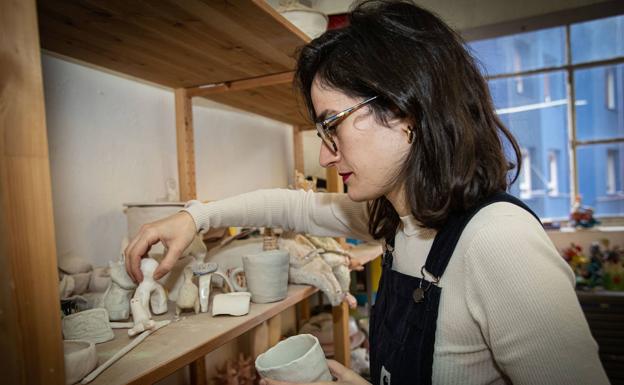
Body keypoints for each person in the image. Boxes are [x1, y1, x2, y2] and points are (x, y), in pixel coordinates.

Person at [124, 1, 610, 384]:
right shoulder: (396, 218)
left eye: (332, 124)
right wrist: (196, 217)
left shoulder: (499, 243)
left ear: (407, 110)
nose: (326, 156)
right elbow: (292, 206)